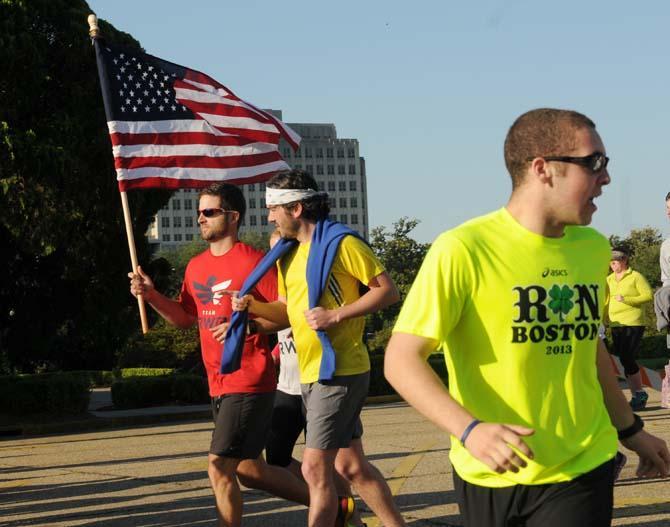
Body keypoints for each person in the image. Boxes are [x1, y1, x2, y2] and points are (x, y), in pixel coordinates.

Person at [384, 108, 670, 527]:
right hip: (488, 471)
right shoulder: (463, 249)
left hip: (582, 463)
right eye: (594, 163)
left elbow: (590, 351)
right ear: (543, 168)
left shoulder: (591, 249)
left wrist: (630, 432)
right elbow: (401, 359)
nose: (605, 178)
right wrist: (471, 430)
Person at [128, 183, 309, 527]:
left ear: (233, 216)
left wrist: (248, 327)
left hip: (250, 377)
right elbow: (184, 318)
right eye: (199, 212)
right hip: (217, 382)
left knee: (218, 466)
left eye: (209, 212)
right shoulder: (196, 266)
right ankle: (332, 506)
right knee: (250, 471)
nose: (201, 218)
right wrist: (151, 296)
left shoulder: (255, 262)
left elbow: (288, 315)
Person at [233, 170, 406, 527]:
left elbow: (387, 291)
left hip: (339, 369)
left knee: (314, 468)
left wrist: (336, 314)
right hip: (310, 372)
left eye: (273, 208)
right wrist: (249, 311)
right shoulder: (287, 254)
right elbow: (287, 313)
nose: (268, 217)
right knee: (351, 466)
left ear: (296, 208)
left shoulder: (343, 244)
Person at [606, 248, 654, 410]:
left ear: (624, 260)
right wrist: (603, 318)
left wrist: (627, 299)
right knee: (621, 359)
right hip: (615, 323)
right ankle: (636, 395)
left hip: (633, 322)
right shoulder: (609, 279)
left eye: (615, 262)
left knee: (627, 356)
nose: (612, 265)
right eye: (611, 262)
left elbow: (647, 295)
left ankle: (639, 392)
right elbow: (606, 301)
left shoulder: (635, 276)